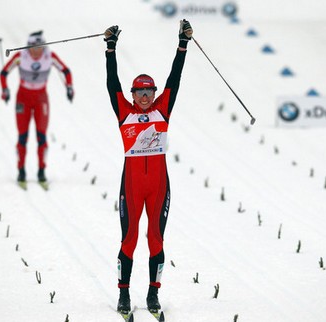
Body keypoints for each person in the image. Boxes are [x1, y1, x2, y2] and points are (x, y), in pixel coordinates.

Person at [104, 20, 193, 314]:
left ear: (154, 94)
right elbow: (112, 82)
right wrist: (110, 48)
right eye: (139, 93)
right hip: (131, 185)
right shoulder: (124, 112)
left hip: (158, 186)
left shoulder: (162, 110)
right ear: (132, 95)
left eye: (149, 92)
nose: (144, 97)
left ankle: (153, 295)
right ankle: (123, 295)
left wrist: (183, 45)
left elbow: (175, 79)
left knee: (155, 238)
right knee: (129, 239)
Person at [0, 30, 74, 186]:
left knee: (41, 135)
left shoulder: (49, 56)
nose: (36, 52)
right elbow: (4, 72)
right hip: (23, 99)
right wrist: (5, 90)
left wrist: (69, 87)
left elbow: (65, 71)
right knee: (23, 136)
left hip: (41, 99)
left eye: (40, 48)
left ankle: (41, 171)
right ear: (28, 47)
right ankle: (21, 171)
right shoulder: (20, 56)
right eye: (34, 48)